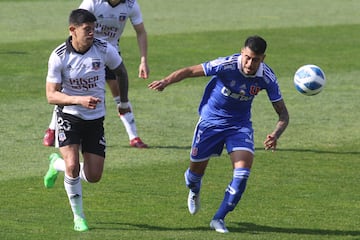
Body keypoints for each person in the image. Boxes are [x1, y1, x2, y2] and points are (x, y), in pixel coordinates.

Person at [148, 36, 289, 233]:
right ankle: (194, 189)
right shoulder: (226, 65)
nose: (249, 64)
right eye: (247, 58)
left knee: (242, 174)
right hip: (210, 123)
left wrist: (275, 134)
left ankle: (218, 218)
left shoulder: (267, 78)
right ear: (242, 52)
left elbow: (283, 114)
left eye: (255, 60)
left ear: (262, 59)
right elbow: (189, 71)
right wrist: (165, 81)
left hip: (239, 126)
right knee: (193, 176)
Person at [43, 8, 129, 231]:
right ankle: (78, 216)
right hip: (69, 117)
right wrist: (78, 100)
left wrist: (123, 101)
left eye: (94, 28)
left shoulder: (103, 49)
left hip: (95, 121)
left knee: (93, 176)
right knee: (73, 166)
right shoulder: (59, 56)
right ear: (73, 30)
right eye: (87, 29)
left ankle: (56, 164)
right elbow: (51, 95)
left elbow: (121, 71)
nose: (93, 33)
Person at [43, 0, 149, 148]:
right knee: (71, 89)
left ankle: (134, 136)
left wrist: (143, 60)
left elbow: (141, 31)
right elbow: (77, 24)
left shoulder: (130, 5)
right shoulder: (92, 3)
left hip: (108, 52)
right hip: (85, 53)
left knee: (120, 93)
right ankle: (52, 128)